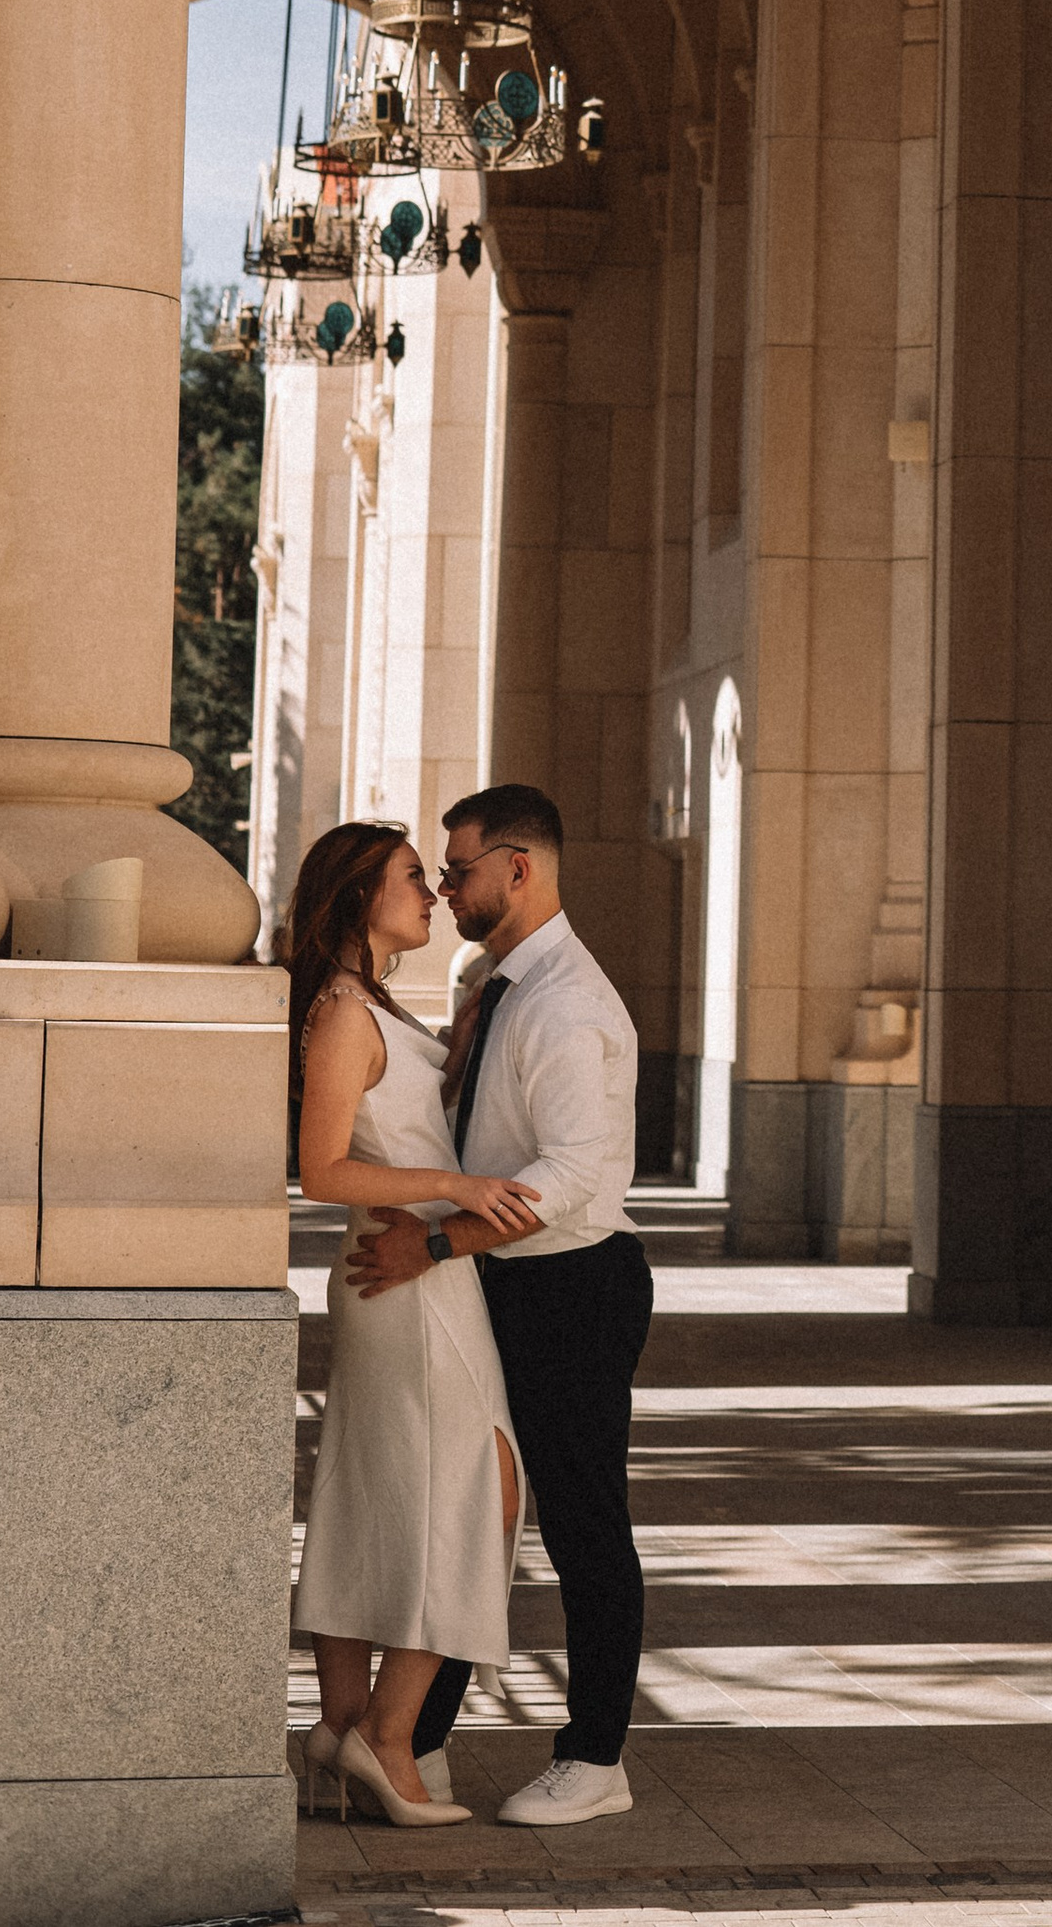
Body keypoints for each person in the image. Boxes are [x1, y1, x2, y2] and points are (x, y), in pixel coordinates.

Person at [347, 782, 650, 1829]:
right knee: (480, 1503)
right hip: (499, 1278)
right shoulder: (495, 978)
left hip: (571, 1284)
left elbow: (568, 1176)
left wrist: (433, 1239)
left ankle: (595, 1756)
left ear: (519, 868)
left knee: (580, 1519)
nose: (445, 886)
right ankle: (411, 1737)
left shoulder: (565, 1001)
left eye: (460, 867)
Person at [283, 821, 538, 1829]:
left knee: (372, 1492)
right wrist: (456, 1183)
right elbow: (324, 1168)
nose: (430, 892)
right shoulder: (345, 1013)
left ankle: (342, 1717)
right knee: (483, 1485)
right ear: (356, 900)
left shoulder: (372, 1002)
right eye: (407, 879)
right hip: (411, 1282)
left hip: (407, 1279)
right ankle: (387, 1736)